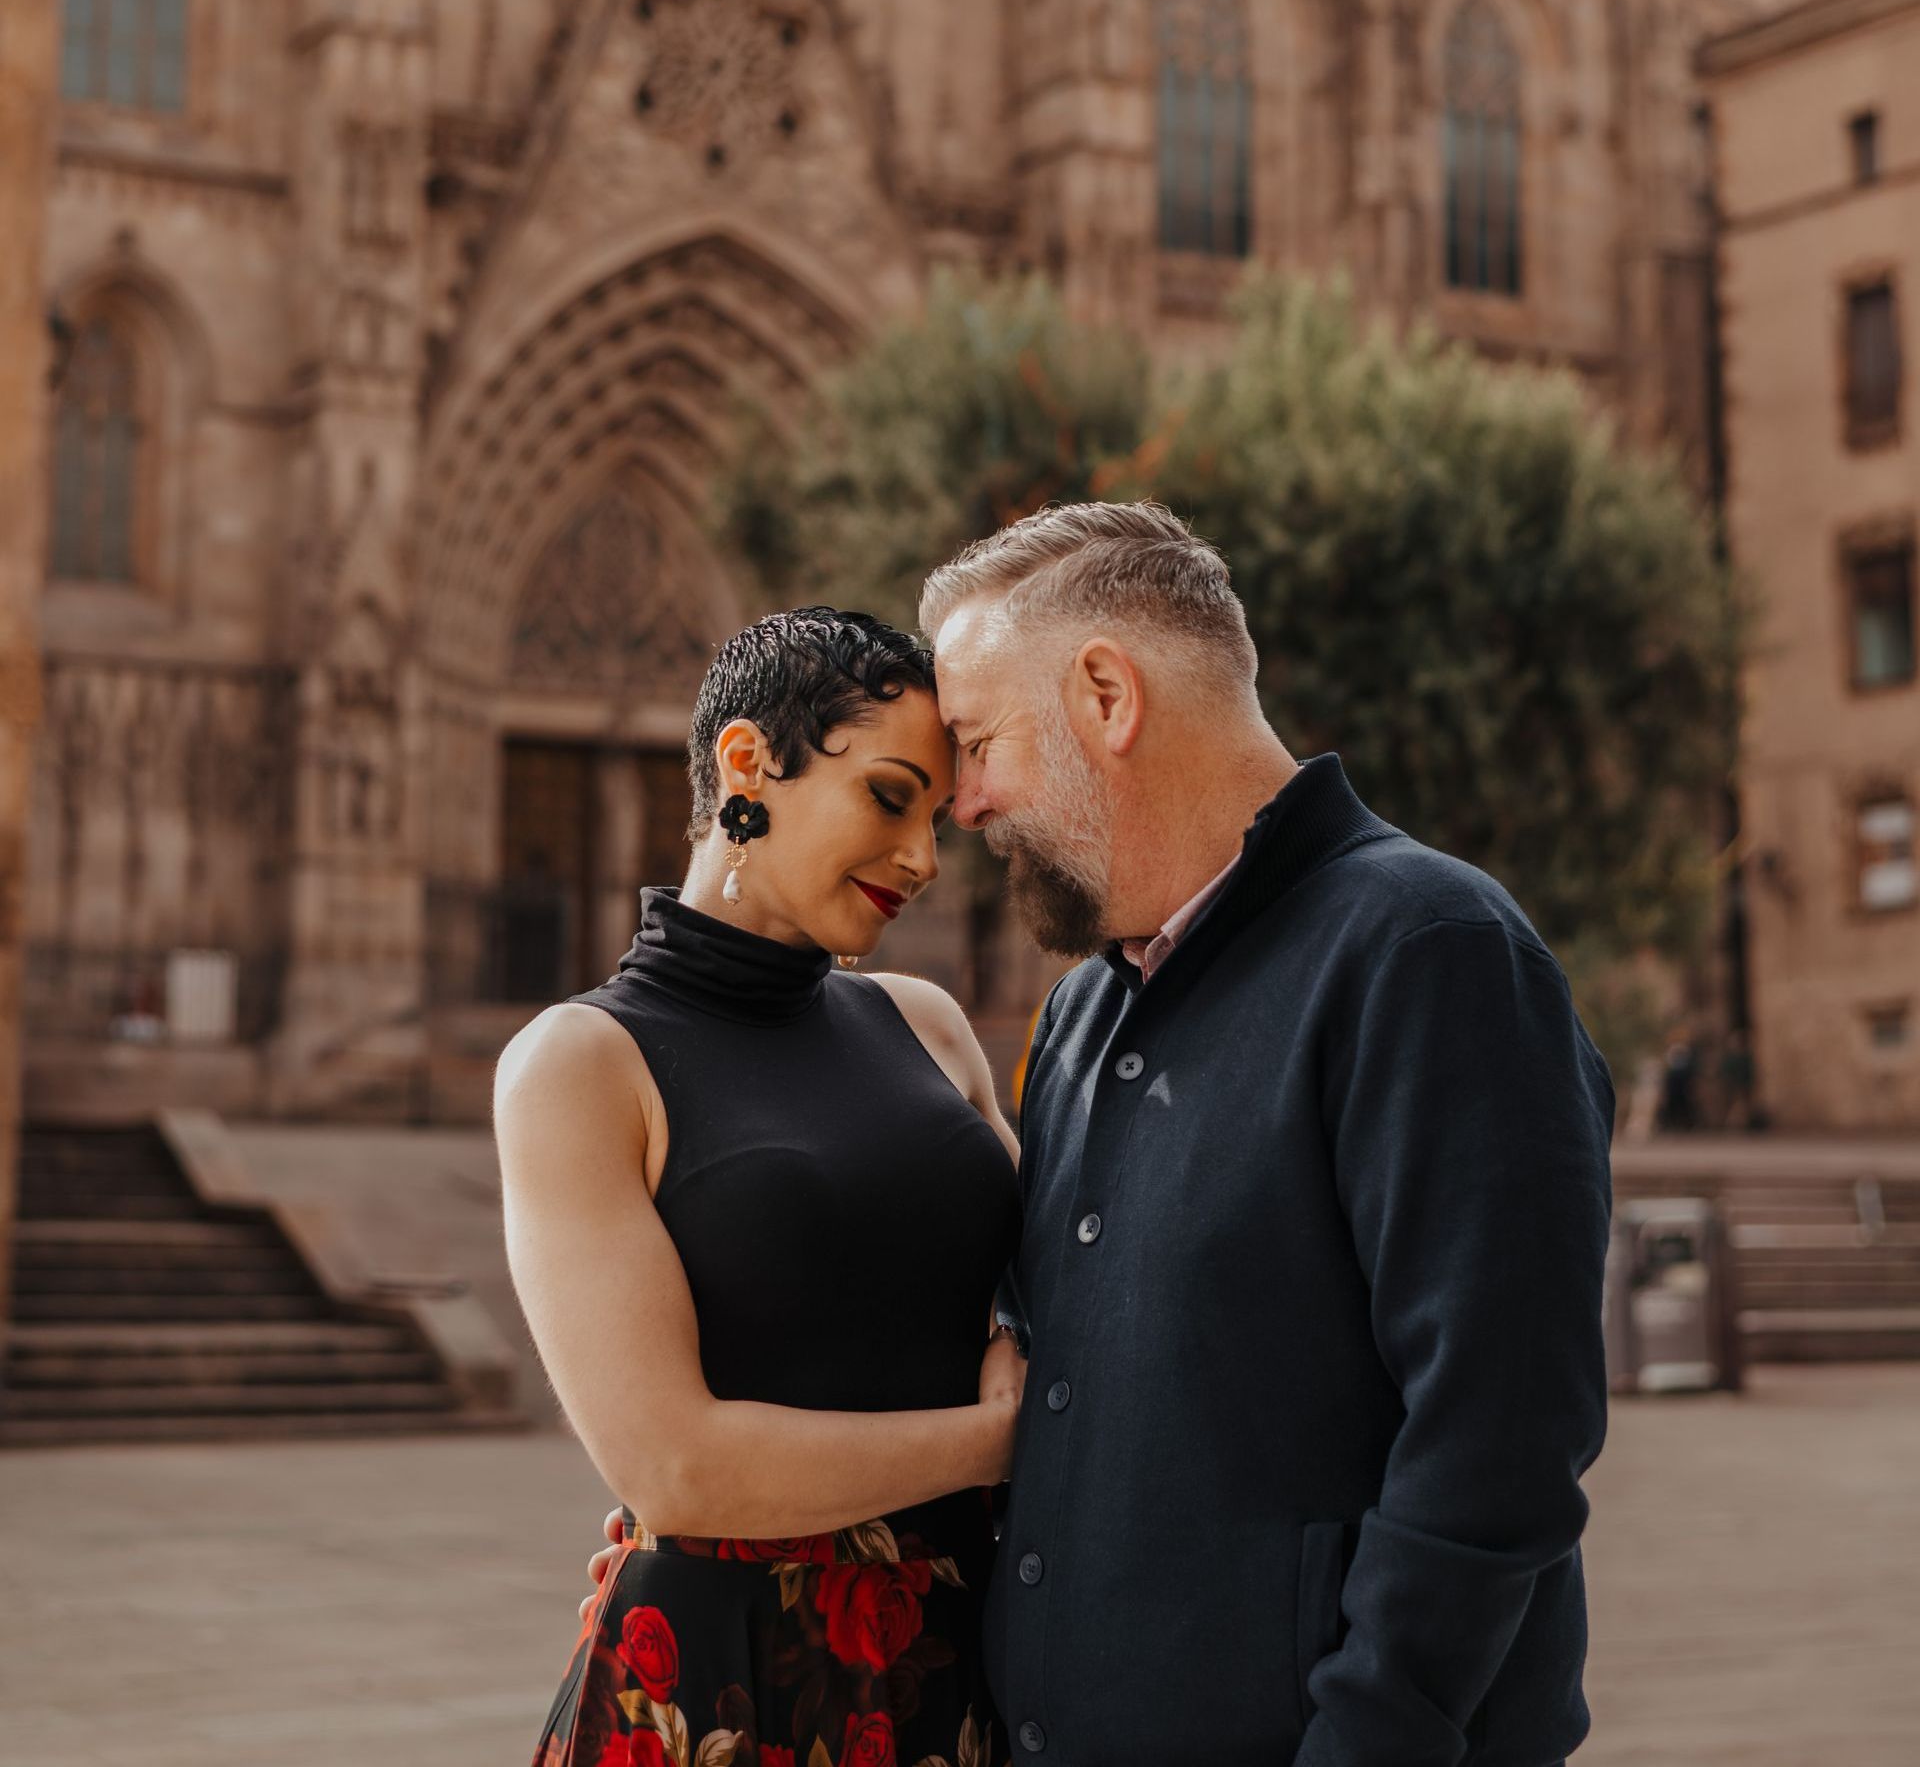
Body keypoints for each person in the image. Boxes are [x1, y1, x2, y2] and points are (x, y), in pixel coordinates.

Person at [590, 502, 1615, 1764]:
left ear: (1105, 697)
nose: (956, 815)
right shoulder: (1082, 1012)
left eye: (973, 745)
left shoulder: (1428, 952)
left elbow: (1498, 1444)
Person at [498, 608, 1026, 1767]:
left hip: (976, 1661)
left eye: (937, 819)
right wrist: (992, 1444)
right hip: (723, 1687)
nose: (924, 862)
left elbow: (1059, 1297)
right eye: (889, 799)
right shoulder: (576, 1065)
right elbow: (675, 1468)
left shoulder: (929, 1027)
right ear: (749, 765)